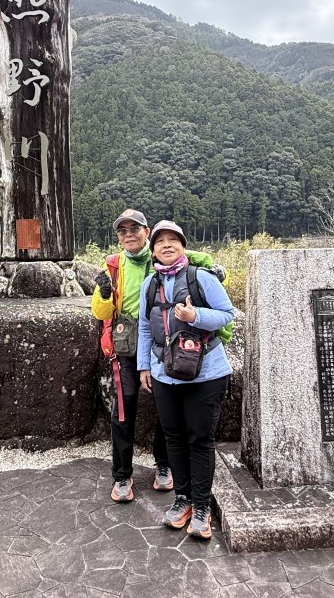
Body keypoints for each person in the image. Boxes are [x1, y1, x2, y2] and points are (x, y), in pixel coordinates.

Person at [92, 209, 222, 504]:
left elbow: (193, 256)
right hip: (126, 347)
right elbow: (101, 313)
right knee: (123, 413)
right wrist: (102, 292)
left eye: (134, 229)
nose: (128, 234)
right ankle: (122, 475)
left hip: (164, 345)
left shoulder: (160, 260)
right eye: (122, 231)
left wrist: (215, 268)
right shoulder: (113, 265)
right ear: (118, 237)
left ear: (146, 232)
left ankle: (164, 466)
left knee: (167, 411)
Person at [138, 220, 235, 540]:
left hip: (206, 373)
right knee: (174, 437)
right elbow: (143, 327)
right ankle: (183, 499)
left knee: (200, 439)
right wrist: (144, 367)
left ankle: (202, 505)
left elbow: (226, 314)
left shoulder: (201, 278)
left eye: (173, 240)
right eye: (160, 241)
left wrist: (195, 317)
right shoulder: (149, 285)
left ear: (182, 245)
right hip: (165, 373)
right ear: (152, 249)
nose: (167, 245)